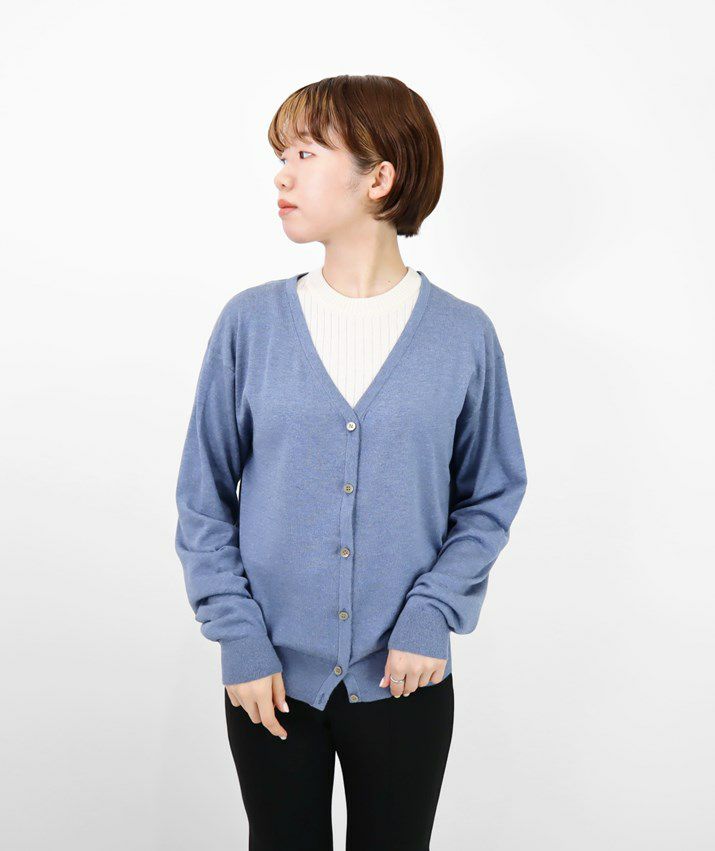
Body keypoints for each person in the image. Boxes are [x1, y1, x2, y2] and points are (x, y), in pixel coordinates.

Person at [174, 74, 528, 851]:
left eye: (304, 153)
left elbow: (491, 493)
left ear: (378, 177)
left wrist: (432, 613)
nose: (281, 175)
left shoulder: (462, 336)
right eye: (281, 156)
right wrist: (238, 636)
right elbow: (203, 501)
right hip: (268, 677)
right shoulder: (250, 324)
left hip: (407, 674)